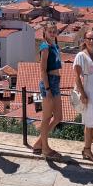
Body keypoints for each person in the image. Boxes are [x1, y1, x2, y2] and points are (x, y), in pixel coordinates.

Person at [31, 21, 63, 159]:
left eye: (54, 31)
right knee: (47, 117)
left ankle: (39, 142)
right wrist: (48, 88)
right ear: (44, 32)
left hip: (55, 82)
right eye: (50, 31)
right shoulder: (45, 47)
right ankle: (45, 148)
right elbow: (43, 70)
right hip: (48, 83)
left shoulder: (54, 45)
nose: (52, 33)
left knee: (58, 117)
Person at [73, 30, 93, 162]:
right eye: (89, 38)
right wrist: (83, 94)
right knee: (89, 124)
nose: (91, 41)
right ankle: (87, 149)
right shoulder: (81, 55)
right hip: (88, 94)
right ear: (84, 40)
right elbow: (77, 77)